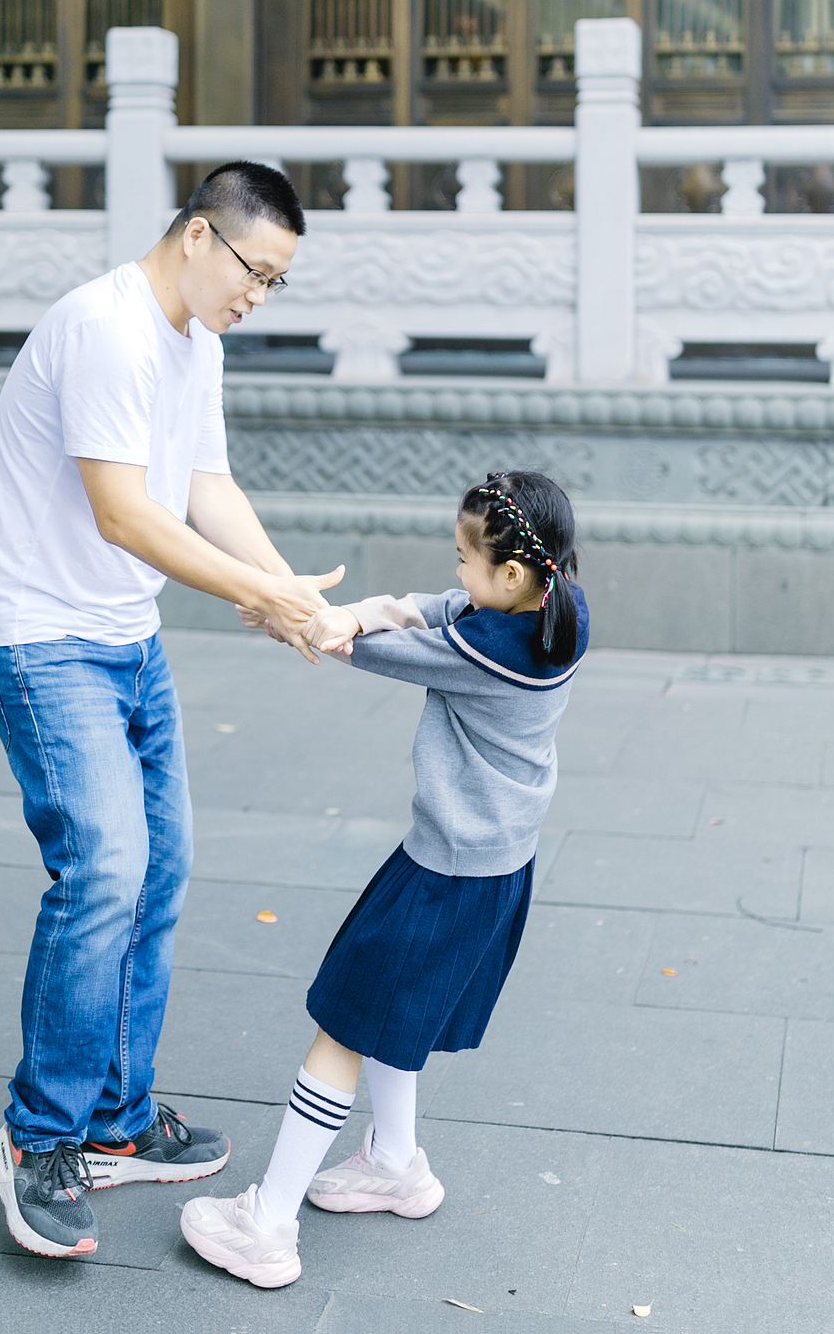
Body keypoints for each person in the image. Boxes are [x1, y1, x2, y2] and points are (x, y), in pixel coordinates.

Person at [0, 161, 344, 1259]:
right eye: (253, 272)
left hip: (126, 641)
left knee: (160, 871)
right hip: (41, 641)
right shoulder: (106, 328)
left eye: (276, 284)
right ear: (196, 236)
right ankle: (39, 1138)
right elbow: (125, 514)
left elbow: (203, 489)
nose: (257, 298)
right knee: (103, 873)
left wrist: (288, 592)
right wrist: (257, 597)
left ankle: (116, 1120)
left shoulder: (195, 342)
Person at [180, 469, 589, 1290]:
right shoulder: (551, 609)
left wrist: (304, 618)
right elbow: (435, 606)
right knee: (397, 1016)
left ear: (512, 572)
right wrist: (346, 614)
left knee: (344, 1026)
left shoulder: (488, 652)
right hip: (485, 866)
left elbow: (385, 647)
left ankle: (267, 1226)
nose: (456, 571)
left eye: (466, 556)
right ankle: (396, 1163)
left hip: (448, 876)